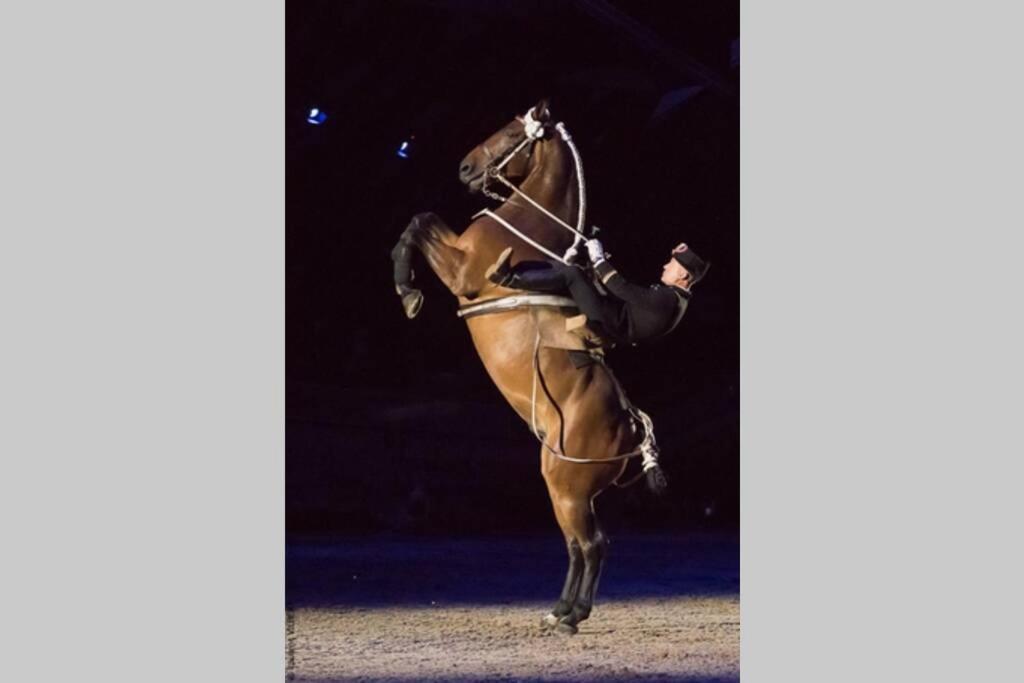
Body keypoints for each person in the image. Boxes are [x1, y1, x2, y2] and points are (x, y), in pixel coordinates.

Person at [486, 238, 708, 346]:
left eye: (671, 265)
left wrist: (600, 260)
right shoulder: (674, 298)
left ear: (683, 276)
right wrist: (597, 267)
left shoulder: (668, 299)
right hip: (614, 314)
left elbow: (621, 287)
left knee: (573, 274)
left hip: (607, 324)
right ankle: (520, 270)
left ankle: (509, 277)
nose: (665, 266)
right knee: (579, 269)